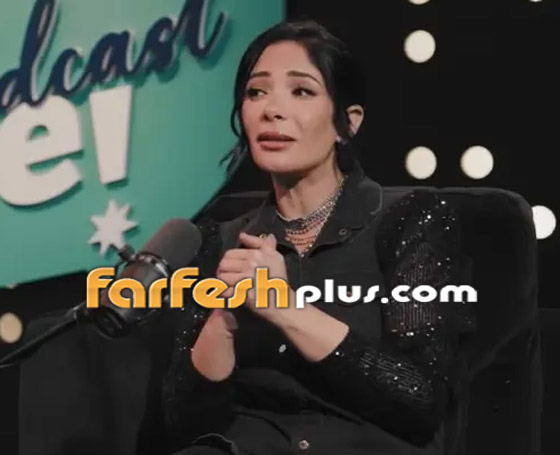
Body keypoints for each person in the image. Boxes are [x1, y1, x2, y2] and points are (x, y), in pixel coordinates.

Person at [161, 20, 476, 455]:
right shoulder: (222, 240)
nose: (272, 109)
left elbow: (420, 398)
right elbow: (183, 425)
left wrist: (285, 308)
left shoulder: (409, 219)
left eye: (301, 91)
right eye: (256, 92)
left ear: (347, 122)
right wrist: (225, 319)